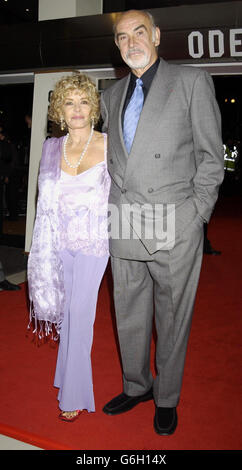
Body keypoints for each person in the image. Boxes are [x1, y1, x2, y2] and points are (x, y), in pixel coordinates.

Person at [101, 10, 224, 435]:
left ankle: (166, 396)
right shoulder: (111, 95)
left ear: (155, 35)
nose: (131, 42)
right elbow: (113, 162)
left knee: (172, 317)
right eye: (122, 37)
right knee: (129, 315)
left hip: (175, 223)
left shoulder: (190, 82)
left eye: (139, 33)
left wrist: (195, 217)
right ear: (117, 45)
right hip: (124, 223)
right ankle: (137, 386)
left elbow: (211, 160)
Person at [27, 73, 110, 421]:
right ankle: (64, 376)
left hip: (94, 243)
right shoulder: (51, 148)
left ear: (93, 107)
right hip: (58, 243)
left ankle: (74, 394)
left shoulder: (109, 144)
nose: (77, 109)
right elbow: (43, 201)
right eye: (69, 102)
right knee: (66, 313)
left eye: (84, 101)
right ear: (59, 109)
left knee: (80, 313)